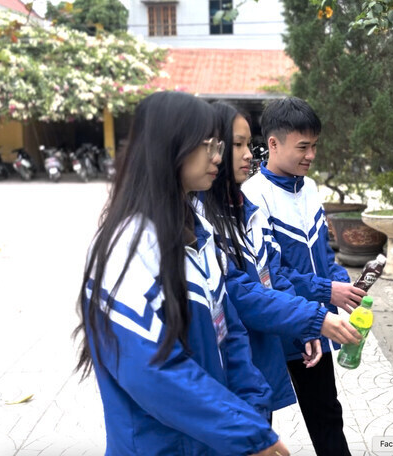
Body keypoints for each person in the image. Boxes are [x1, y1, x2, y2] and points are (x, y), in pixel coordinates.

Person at [73, 91, 289, 456]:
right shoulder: (130, 246)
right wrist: (247, 435)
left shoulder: (199, 230)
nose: (217, 156)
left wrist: (254, 414)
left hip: (212, 444)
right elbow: (152, 369)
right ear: (169, 147)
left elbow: (229, 332)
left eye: (217, 144)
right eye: (206, 144)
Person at [197, 102, 361, 419]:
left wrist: (313, 318)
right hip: (243, 347)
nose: (248, 154)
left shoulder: (244, 207)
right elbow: (243, 291)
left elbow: (270, 273)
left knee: (325, 411)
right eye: (237, 145)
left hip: (274, 334)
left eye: (248, 144)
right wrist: (318, 307)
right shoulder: (235, 204)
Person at [241, 97, 366, 456]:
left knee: (326, 412)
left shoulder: (308, 188)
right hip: (276, 325)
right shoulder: (253, 196)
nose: (310, 155)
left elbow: (323, 253)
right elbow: (270, 273)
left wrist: (344, 284)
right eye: (303, 147)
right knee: (261, 423)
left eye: (314, 146)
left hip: (315, 324)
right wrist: (328, 290)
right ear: (273, 144)